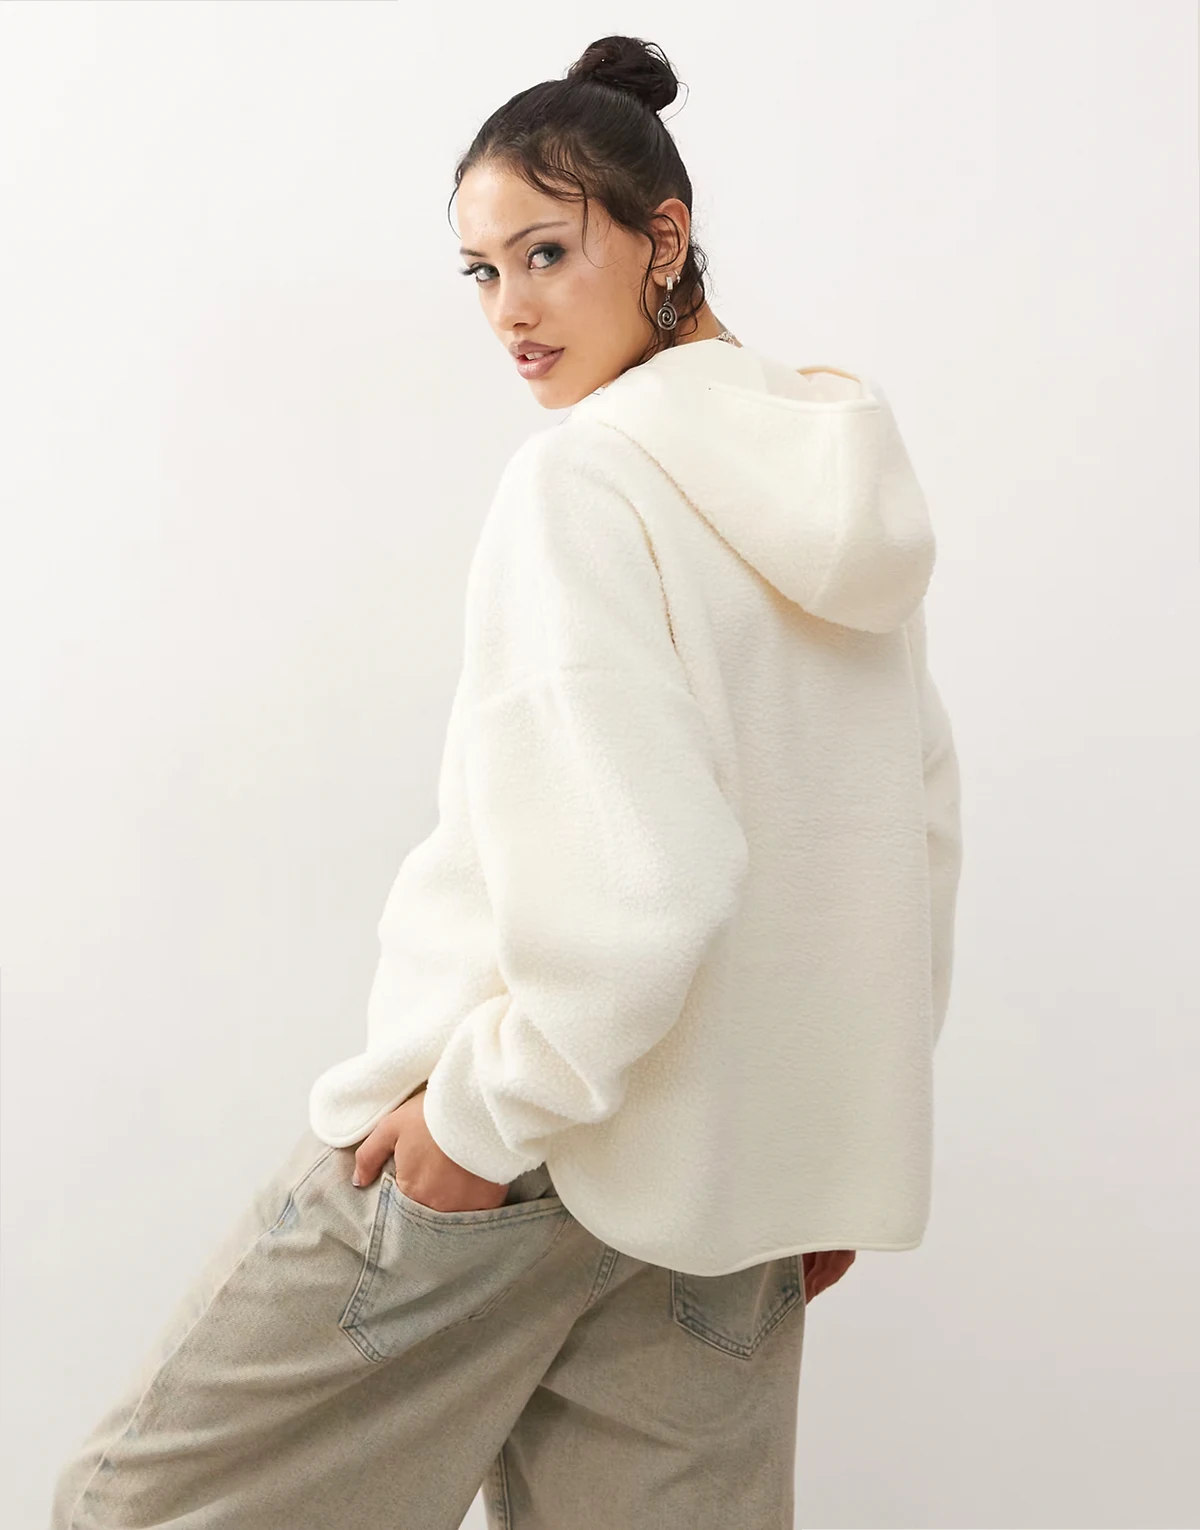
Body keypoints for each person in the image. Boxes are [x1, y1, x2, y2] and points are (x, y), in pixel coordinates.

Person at [50, 33, 963, 1530]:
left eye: (546, 252)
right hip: (731, 1187)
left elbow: (650, 880)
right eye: (481, 272)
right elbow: (908, 839)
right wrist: (834, 1149)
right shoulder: (843, 490)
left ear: (663, 236)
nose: (510, 313)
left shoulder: (587, 477)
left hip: (517, 1149)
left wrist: (479, 1121)